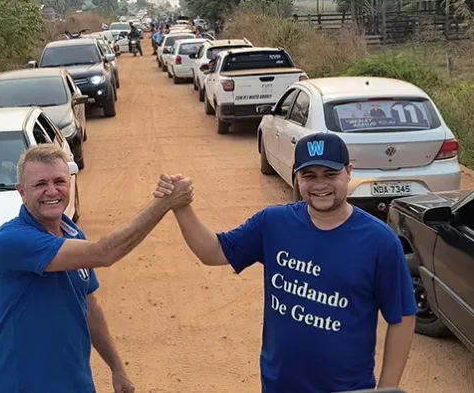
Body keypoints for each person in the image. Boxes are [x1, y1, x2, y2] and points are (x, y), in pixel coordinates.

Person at [153, 132, 418, 393]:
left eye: (330, 174)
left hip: (348, 389)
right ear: (296, 177)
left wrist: (387, 389)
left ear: (349, 171)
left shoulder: (379, 241)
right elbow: (212, 252)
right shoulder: (273, 224)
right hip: (279, 386)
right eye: (309, 175)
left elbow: (403, 315)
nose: (320, 185)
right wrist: (182, 206)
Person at [0, 144, 193, 393]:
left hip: (76, 382)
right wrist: (162, 205)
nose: (52, 190)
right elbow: (103, 253)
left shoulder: (72, 233)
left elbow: (88, 306)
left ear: (70, 184)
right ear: (21, 192)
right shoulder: (11, 241)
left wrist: (117, 368)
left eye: (59, 181)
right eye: (40, 184)